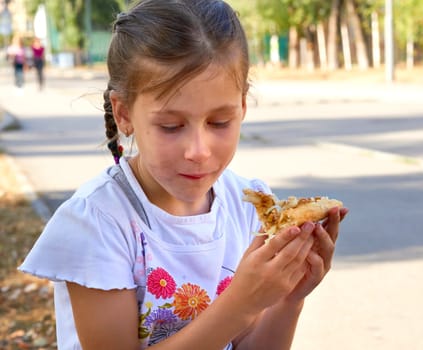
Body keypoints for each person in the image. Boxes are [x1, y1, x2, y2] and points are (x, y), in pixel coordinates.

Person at [19, 0, 348, 349]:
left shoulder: (249, 206)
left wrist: (288, 298)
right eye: (171, 126)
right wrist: (241, 305)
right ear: (124, 114)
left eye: (219, 122)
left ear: (243, 107)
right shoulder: (97, 223)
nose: (199, 150)